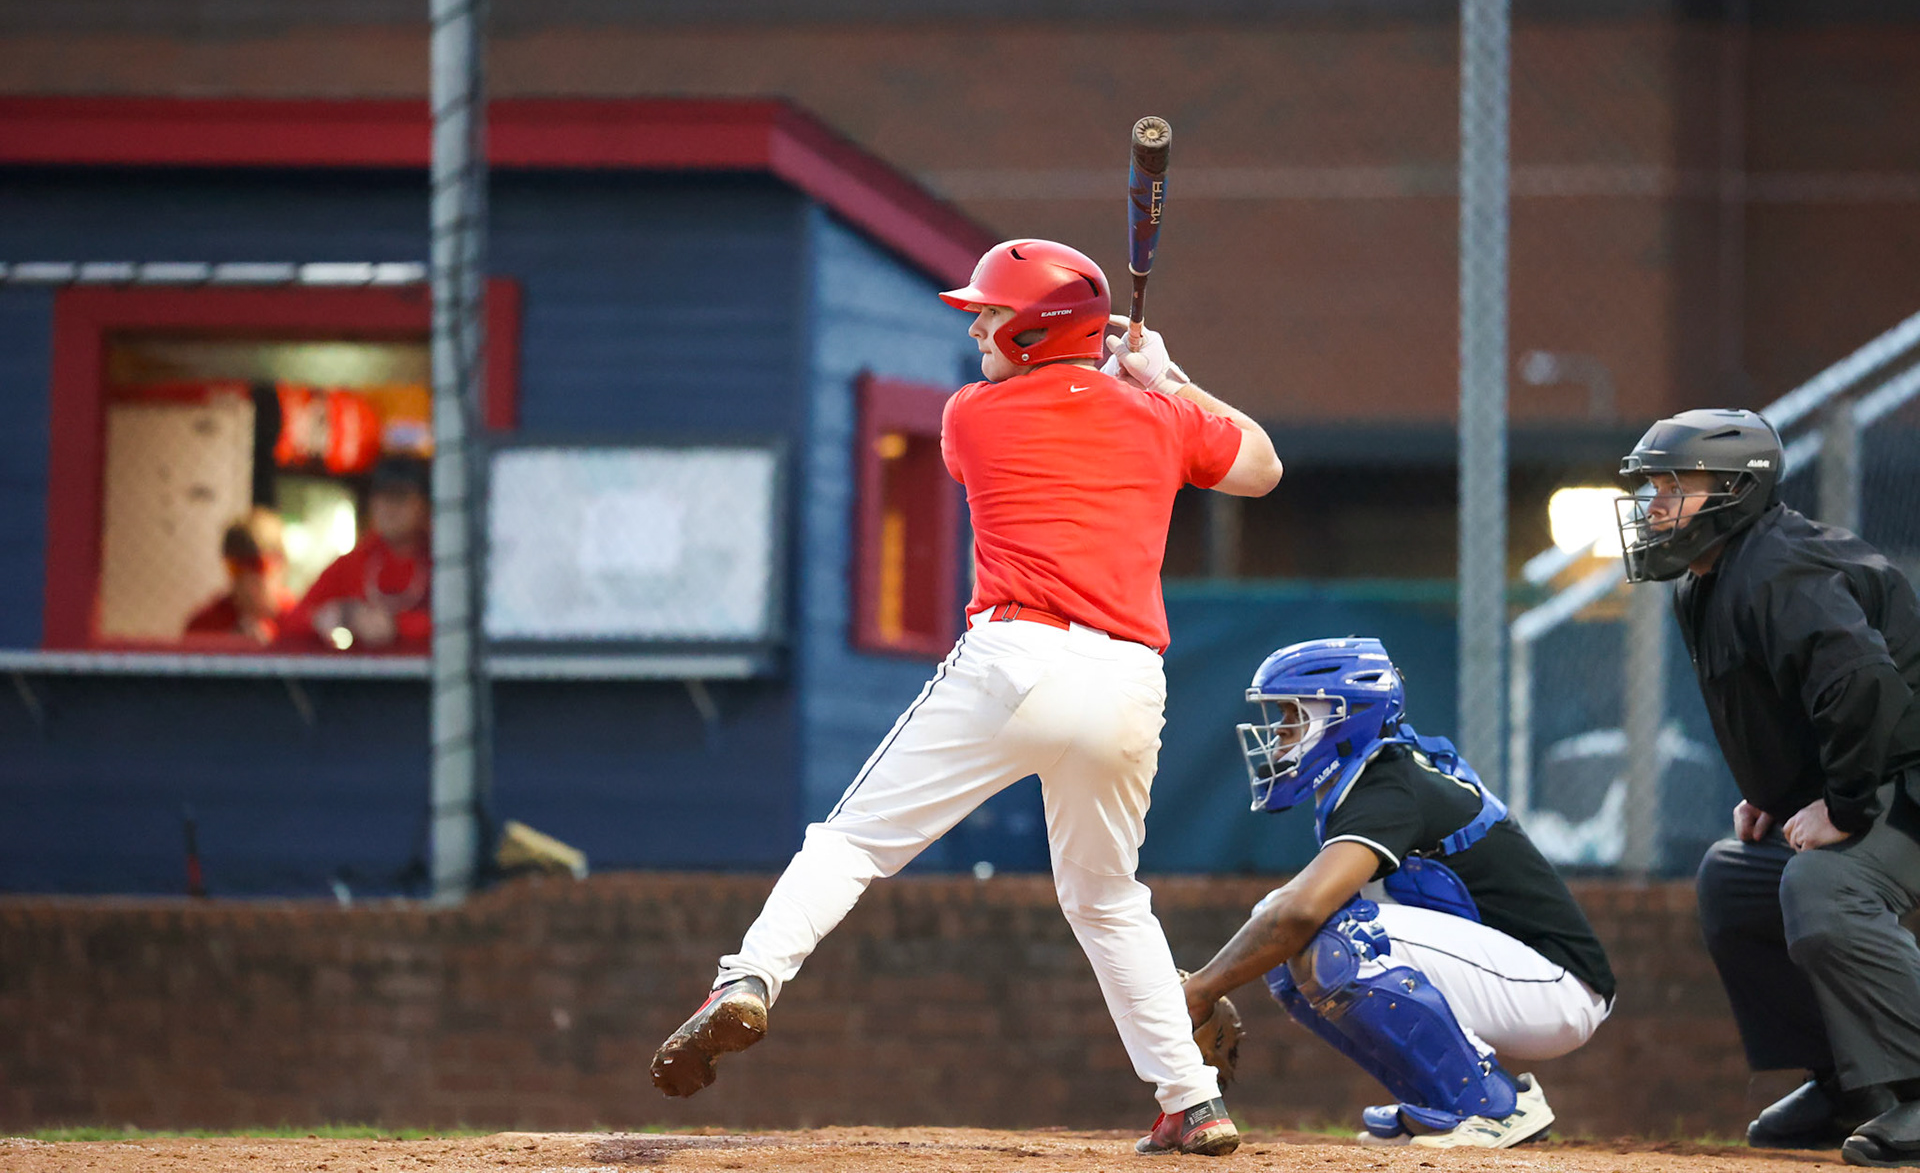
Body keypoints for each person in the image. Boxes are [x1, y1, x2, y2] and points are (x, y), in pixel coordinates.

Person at [649, 238, 1282, 1156]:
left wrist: (1121, 380)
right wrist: (1167, 378)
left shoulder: (972, 414)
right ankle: (1193, 1099)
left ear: (1034, 330)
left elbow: (1059, 413)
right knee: (1108, 900)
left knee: (853, 841)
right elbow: (1261, 465)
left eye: (992, 314)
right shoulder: (1160, 414)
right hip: (1129, 683)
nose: (979, 326)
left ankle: (748, 979)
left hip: (1016, 656)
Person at [1617, 407, 1920, 1164]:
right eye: (1650, 487)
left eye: (1672, 487)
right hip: (1884, 765)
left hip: (1901, 771)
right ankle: (1848, 1084)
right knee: (1737, 879)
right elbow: (1785, 701)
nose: (1654, 505)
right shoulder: (1708, 582)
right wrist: (1781, 791)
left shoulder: (1781, 569)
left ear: (1733, 491)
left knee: (1825, 887)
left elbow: (1865, 688)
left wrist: (1844, 807)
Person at [1178, 637, 1615, 1149]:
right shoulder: (1371, 778)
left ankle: (1496, 1107)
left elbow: (1299, 912)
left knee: (1331, 938)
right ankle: (1445, 1104)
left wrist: (1202, 989)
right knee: (1286, 953)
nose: (1278, 737)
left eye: (1293, 718)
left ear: (1345, 719)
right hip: (1519, 976)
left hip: (1558, 987)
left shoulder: (1386, 783)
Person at [282, 455, 432, 653]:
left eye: (401, 497)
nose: (389, 507)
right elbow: (290, 623)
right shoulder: (355, 561)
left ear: (424, 506)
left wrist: (398, 626)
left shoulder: (444, 561)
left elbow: (466, 626)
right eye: (381, 497)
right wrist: (328, 618)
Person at [184, 507, 296, 644]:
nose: (246, 579)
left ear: (281, 564)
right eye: (236, 568)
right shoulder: (206, 625)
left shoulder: (299, 624)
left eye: (257, 565)